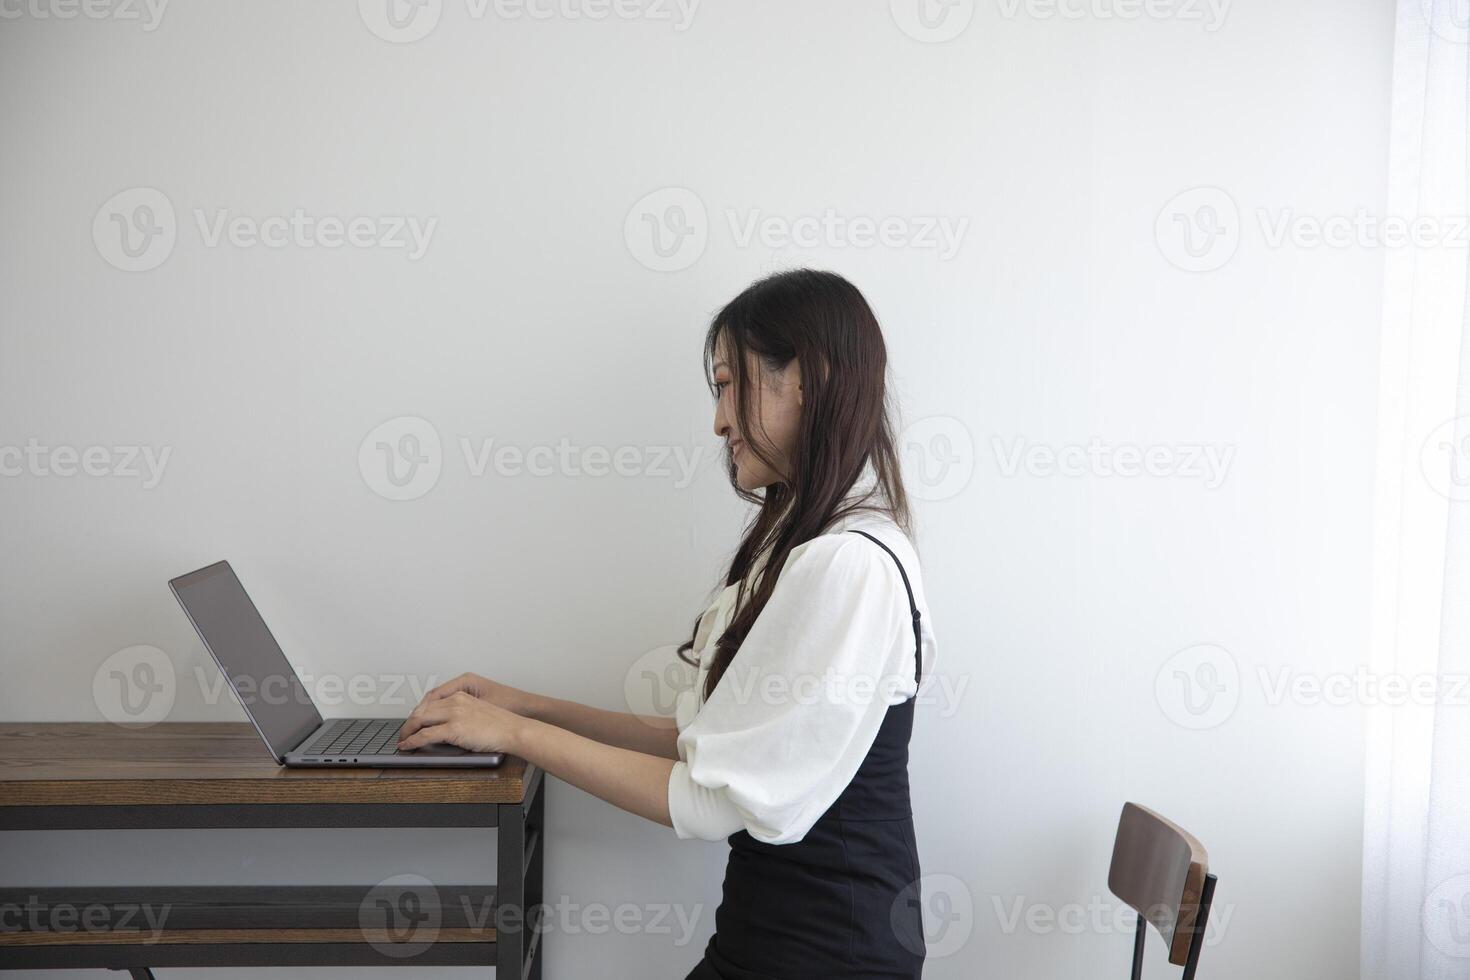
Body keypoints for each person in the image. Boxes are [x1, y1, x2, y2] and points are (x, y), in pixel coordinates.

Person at [400, 268, 938, 978]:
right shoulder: (811, 548)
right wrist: (523, 704)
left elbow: (706, 802)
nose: (718, 420)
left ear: (807, 379)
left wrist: (514, 734)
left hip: (824, 955)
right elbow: (700, 745)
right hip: (774, 941)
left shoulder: (848, 567)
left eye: (726, 384)